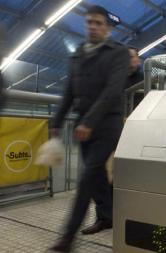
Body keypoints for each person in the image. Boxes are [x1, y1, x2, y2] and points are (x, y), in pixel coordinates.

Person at [49, 5, 129, 252]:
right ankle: (107, 215)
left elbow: (112, 91)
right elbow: (69, 92)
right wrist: (56, 121)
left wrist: (89, 122)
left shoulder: (118, 53)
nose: (93, 26)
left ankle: (67, 238)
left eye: (98, 23)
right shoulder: (78, 55)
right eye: (89, 22)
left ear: (107, 27)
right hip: (83, 127)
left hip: (106, 125)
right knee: (96, 178)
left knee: (86, 178)